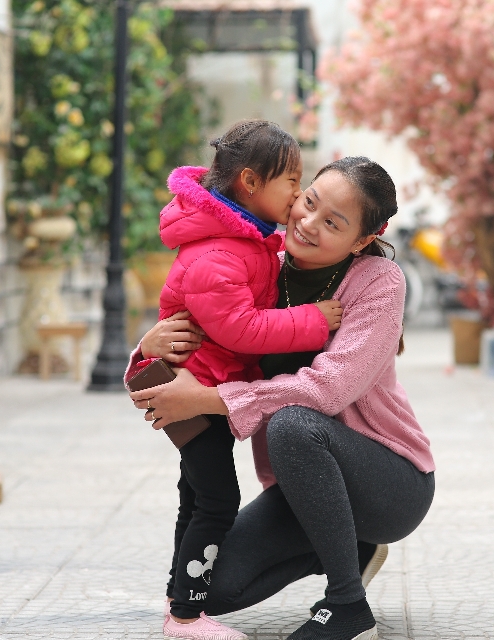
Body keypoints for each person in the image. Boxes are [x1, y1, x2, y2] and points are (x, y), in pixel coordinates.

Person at [129, 157, 436, 640]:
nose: (309, 223)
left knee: (295, 422)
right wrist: (149, 348)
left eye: (332, 222)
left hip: (390, 484)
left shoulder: (378, 282)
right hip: (305, 489)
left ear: (361, 240)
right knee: (212, 587)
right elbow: (203, 328)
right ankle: (351, 553)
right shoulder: (262, 266)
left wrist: (211, 399)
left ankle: (347, 605)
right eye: (309, 202)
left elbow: (329, 389)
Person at [131, 120, 345, 640]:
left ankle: (179, 602)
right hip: (193, 393)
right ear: (250, 182)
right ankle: (185, 616)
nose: (297, 194)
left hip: (204, 388)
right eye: (291, 181)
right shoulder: (217, 254)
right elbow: (243, 330)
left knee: (196, 495)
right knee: (217, 501)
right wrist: (318, 319)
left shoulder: (241, 240)